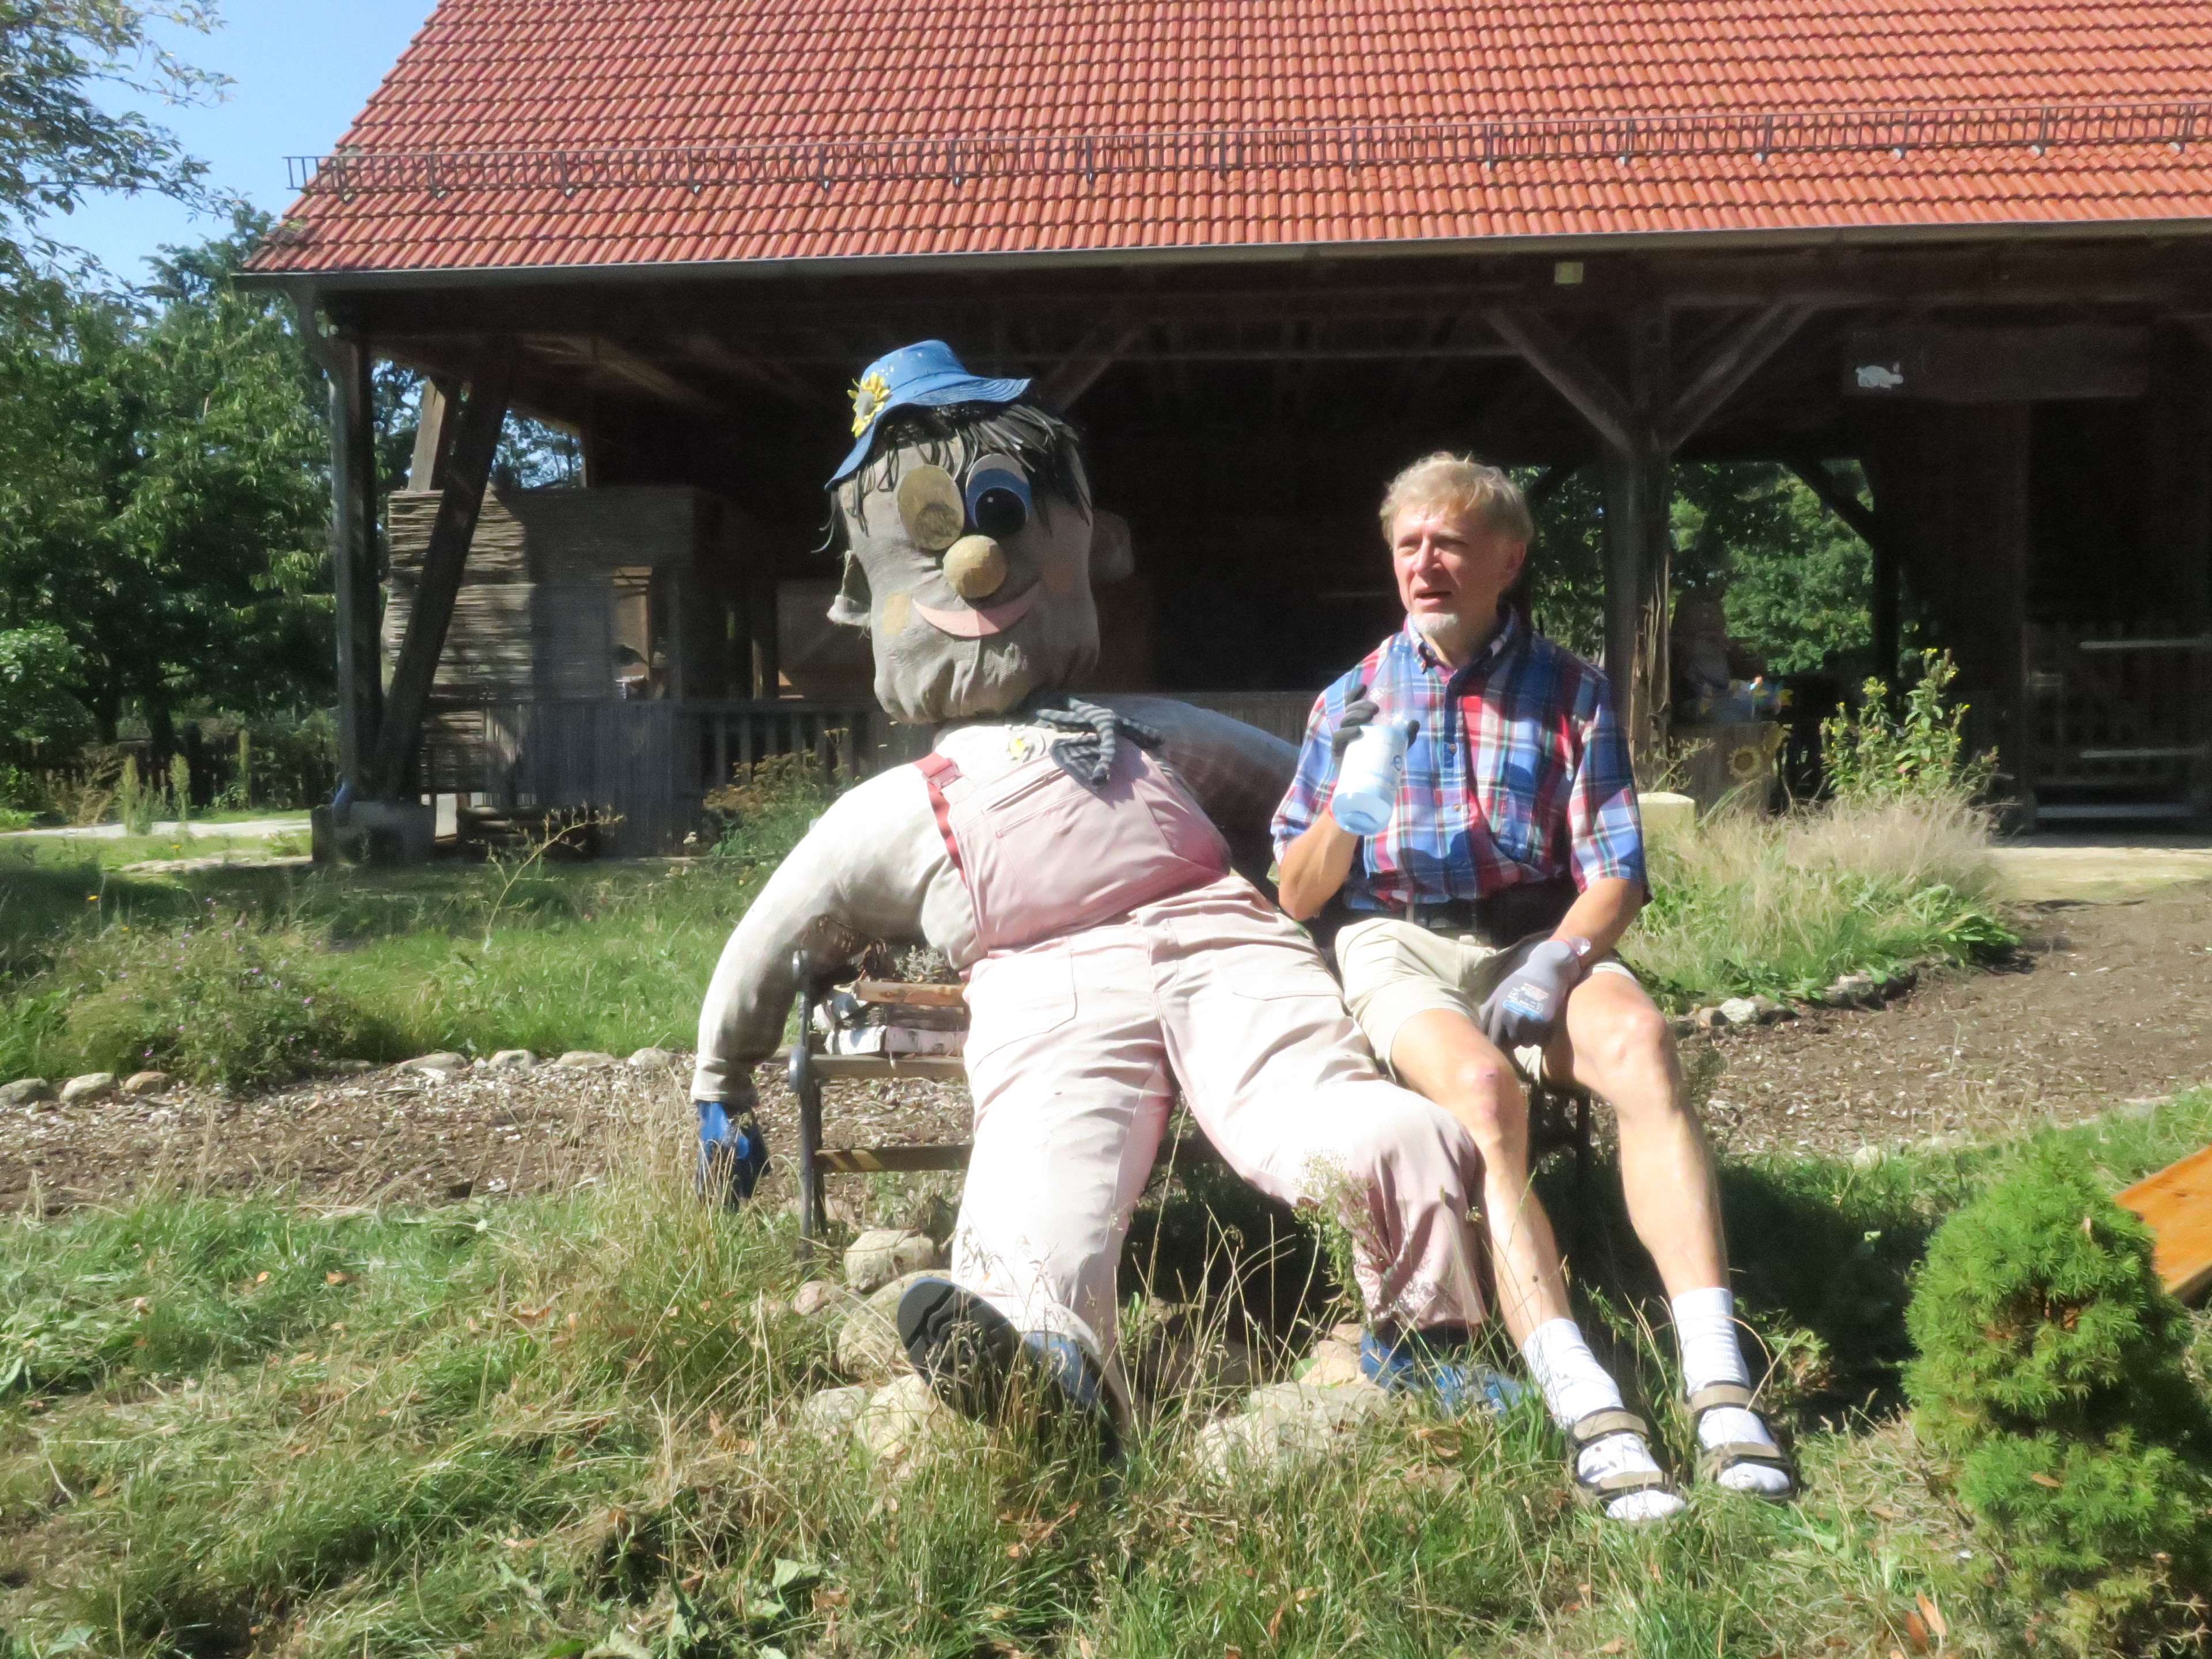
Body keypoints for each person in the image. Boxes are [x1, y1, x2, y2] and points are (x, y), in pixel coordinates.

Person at [690, 345, 1508, 1453]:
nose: (977, 560)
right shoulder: (896, 806)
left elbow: (1294, 798)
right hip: (1047, 989)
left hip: (1230, 948)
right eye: (938, 535)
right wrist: (721, 1080)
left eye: (998, 517)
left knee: (1359, 1119)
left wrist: (1415, 862)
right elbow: (771, 935)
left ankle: (1430, 1332)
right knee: (1042, 1166)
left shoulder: (1150, 731)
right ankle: (1047, 1361)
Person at [1272, 453, 1797, 1516]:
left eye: (1450, 543)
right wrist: (1348, 808)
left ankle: (1717, 1379)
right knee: (1484, 1097)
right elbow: (1295, 892)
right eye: (1409, 544)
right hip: (1398, 940)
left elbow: (1615, 875)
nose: (1425, 563)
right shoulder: (1349, 700)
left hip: (1535, 932)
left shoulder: (1573, 690)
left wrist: (1560, 957)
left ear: (1507, 559)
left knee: (1643, 1046)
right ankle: (1583, 1395)